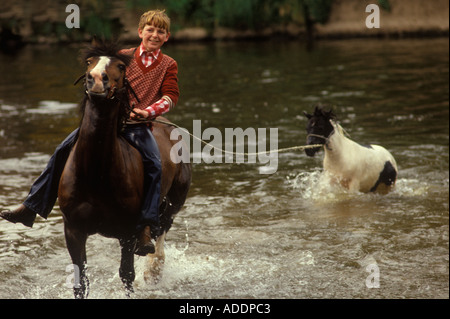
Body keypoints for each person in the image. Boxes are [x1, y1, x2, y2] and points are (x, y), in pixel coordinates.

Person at [0, 9, 179, 256]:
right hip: (110, 123)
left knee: (154, 165)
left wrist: (148, 112)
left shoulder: (169, 64)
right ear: (140, 32)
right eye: (150, 29)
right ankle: (31, 206)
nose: (155, 34)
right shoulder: (123, 57)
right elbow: (99, 69)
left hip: (139, 127)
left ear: (167, 36)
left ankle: (145, 226)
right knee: (62, 149)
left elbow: (170, 97)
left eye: (160, 31)